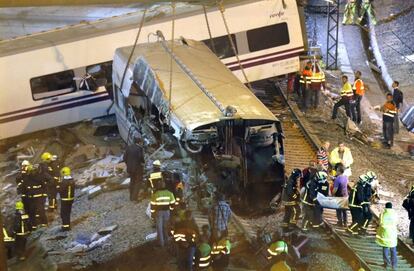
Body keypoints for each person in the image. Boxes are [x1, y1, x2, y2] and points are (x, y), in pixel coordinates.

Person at [21, 163, 48, 229]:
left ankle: (44, 223)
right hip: (31, 198)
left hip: (39, 197)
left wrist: (43, 194)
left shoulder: (39, 177)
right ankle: (34, 225)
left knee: (41, 210)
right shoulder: (26, 179)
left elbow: (44, 186)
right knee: (32, 212)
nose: (32, 172)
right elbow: (24, 188)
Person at [150, 180, 176, 247]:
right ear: (165, 185)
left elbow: (152, 205)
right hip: (167, 212)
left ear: (158, 186)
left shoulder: (155, 194)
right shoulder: (169, 193)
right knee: (166, 227)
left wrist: (152, 214)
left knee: (159, 228)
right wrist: (171, 211)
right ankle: (167, 241)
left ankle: (161, 243)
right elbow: (173, 204)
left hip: (158, 212)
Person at [376, 202, 398, 269]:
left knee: (385, 249)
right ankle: (394, 265)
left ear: (385, 207)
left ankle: (386, 264)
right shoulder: (395, 214)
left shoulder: (382, 214)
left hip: (385, 235)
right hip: (392, 234)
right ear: (391, 207)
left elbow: (380, 223)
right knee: (393, 250)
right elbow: (396, 222)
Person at [124, 136, 144, 201]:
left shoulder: (129, 148)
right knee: (138, 182)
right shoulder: (139, 148)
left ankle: (131, 197)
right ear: (139, 142)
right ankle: (135, 198)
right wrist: (143, 162)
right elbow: (140, 157)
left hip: (130, 169)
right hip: (137, 169)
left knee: (132, 181)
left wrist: (128, 164)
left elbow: (124, 158)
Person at [59, 167, 75, 231]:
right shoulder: (72, 180)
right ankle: (67, 225)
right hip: (71, 199)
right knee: (68, 212)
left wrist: (58, 186)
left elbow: (61, 190)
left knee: (63, 213)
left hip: (65, 199)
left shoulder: (64, 182)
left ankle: (65, 226)